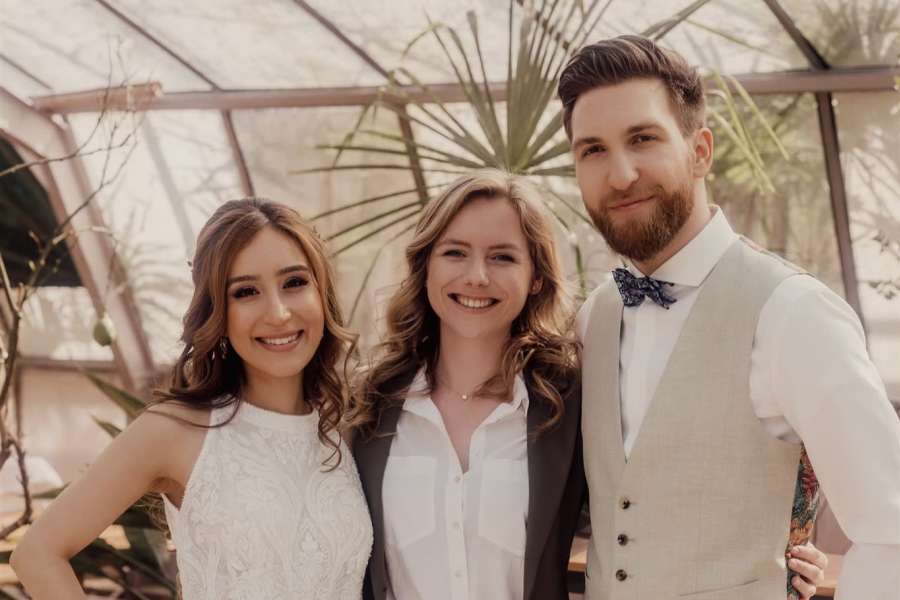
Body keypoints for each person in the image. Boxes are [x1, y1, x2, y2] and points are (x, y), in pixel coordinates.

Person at [351, 170, 826, 600]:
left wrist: (779, 556)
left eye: (502, 257)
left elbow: (656, 505)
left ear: (536, 278)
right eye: (455, 252)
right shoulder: (367, 406)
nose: (477, 276)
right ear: (426, 266)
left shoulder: (569, 404)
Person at [558, 34, 900, 599]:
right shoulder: (593, 316)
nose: (620, 174)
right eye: (592, 149)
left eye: (643, 138)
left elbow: (890, 530)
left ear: (700, 150)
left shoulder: (793, 312)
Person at [11, 199, 373, 599]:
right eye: (246, 291)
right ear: (217, 310)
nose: (278, 313)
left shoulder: (346, 426)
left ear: (322, 291)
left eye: (294, 282)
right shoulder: (176, 431)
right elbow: (37, 554)